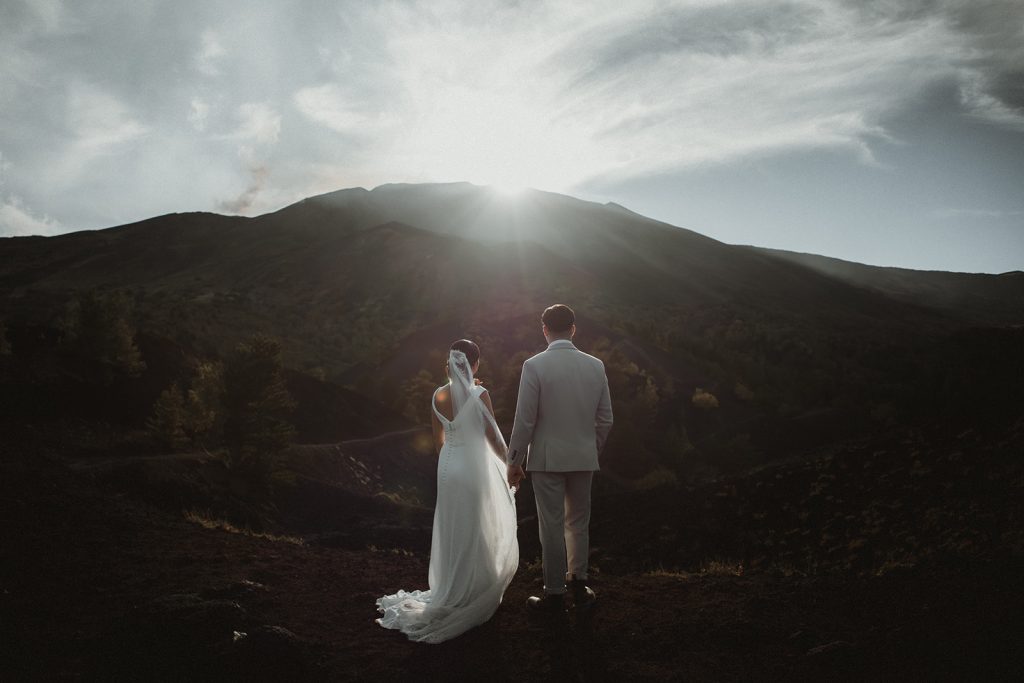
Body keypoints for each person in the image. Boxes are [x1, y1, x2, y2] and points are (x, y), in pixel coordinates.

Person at [376, 339, 519, 643]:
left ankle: (450, 585)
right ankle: (473, 588)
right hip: (473, 468)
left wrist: (452, 458)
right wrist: (509, 464)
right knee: (476, 523)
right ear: (474, 364)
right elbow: (492, 436)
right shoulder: (480, 394)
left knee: (453, 524)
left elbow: (438, 440)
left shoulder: (438, 395)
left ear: (450, 364)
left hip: (448, 466)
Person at [507, 304, 613, 614]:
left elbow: (525, 420)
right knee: (578, 522)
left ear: (544, 330)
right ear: (573, 328)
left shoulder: (534, 366)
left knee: (551, 526)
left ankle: (554, 595)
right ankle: (579, 586)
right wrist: (590, 448)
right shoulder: (596, 365)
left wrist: (514, 460)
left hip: (546, 459)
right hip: (583, 457)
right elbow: (605, 419)